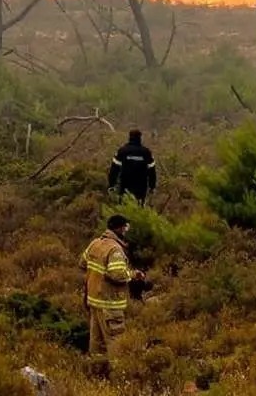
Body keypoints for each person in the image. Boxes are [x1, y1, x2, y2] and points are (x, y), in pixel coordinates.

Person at [80, 214, 145, 377]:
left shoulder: (95, 243)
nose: (126, 230)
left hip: (94, 303)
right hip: (110, 305)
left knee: (97, 344)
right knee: (116, 344)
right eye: (126, 227)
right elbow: (117, 275)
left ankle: (96, 379)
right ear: (120, 228)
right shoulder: (115, 249)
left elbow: (82, 263)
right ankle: (119, 379)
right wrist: (133, 274)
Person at [108, 129, 157, 205]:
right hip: (141, 188)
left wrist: (111, 185)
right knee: (139, 209)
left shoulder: (122, 151)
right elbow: (152, 172)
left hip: (125, 186)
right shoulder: (146, 152)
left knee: (124, 208)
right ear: (140, 138)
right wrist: (152, 187)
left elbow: (114, 170)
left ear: (129, 137)